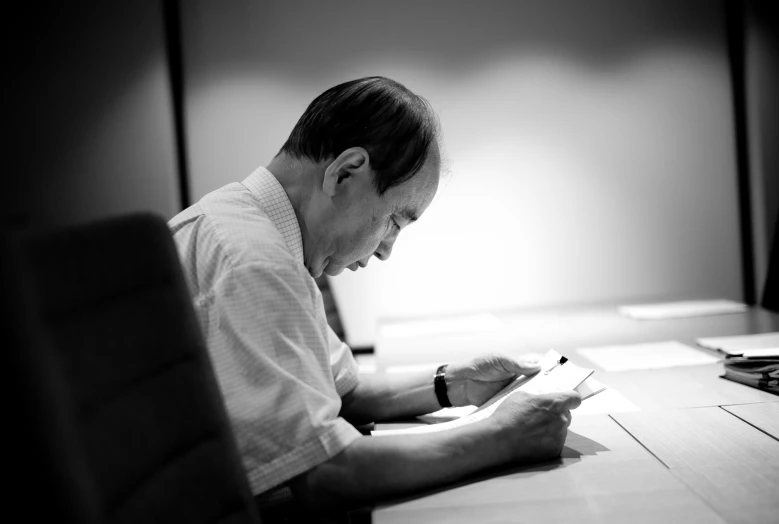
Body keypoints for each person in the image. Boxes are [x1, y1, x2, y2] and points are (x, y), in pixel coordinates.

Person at [168, 76, 581, 510]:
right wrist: (502, 436)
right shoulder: (256, 262)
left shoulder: (249, 227)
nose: (386, 249)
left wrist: (455, 383)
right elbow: (327, 473)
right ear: (345, 172)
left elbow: (343, 391)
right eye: (394, 221)